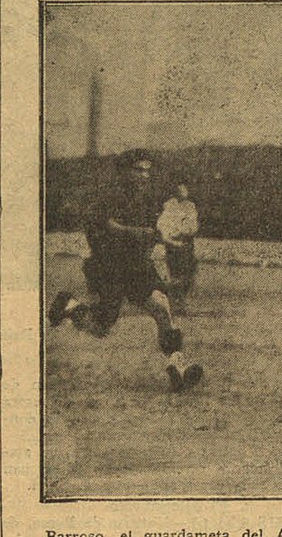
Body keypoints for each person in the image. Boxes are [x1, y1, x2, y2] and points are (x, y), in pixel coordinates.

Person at [48, 150, 203, 393]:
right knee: (100, 327)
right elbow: (111, 227)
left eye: (147, 170)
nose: (144, 175)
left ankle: (177, 363)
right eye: (138, 169)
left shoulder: (146, 199)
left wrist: (160, 239)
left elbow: (150, 231)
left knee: (161, 306)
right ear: (124, 171)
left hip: (135, 266)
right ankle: (70, 306)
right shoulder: (109, 197)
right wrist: (148, 235)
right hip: (108, 268)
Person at [156, 181, 199, 310]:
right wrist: (172, 239)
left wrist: (188, 231)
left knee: (189, 272)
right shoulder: (169, 206)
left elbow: (193, 225)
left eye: (185, 189)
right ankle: (175, 302)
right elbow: (163, 226)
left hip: (187, 243)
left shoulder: (190, 206)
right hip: (174, 243)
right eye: (180, 190)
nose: (183, 192)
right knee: (176, 273)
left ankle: (180, 300)